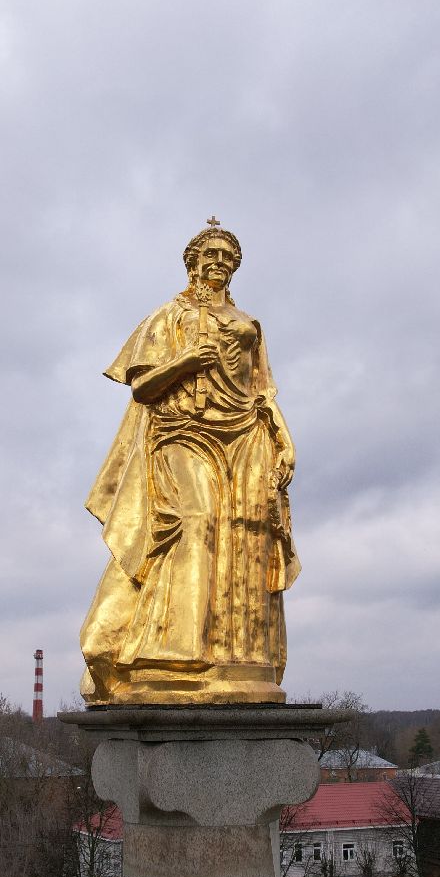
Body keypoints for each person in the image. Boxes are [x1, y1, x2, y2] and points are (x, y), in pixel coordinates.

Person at [80, 219, 299, 704]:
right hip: (182, 431)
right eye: (212, 254)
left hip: (244, 433)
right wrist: (186, 363)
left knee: (244, 536)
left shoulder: (249, 323)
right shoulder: (166, 316)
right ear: (193, 261)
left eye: (229, 256)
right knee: (193, 520)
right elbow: (141, 388)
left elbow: (262, 392)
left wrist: (284, 438)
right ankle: (171, 656)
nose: (220, 262)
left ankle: (236, 659)